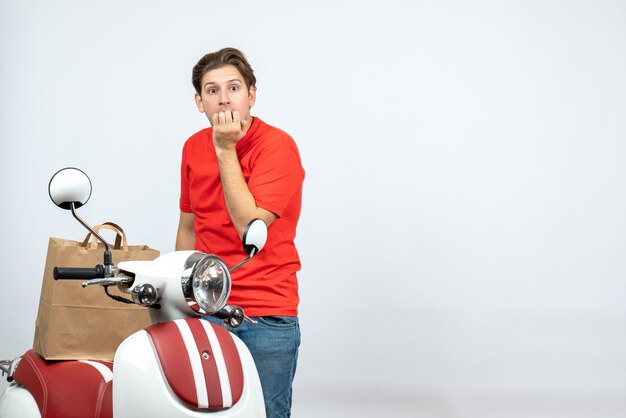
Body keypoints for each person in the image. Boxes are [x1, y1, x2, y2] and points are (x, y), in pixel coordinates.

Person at [176, 47, 304, 418]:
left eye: (234, 88)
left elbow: (250, 225)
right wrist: (181, 299)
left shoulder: (277, 147)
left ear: (252, 94)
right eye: (212, 91)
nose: (224, 98)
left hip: (265, 314)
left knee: (264, 413)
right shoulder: (191, 147)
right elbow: (188, 226)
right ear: (200, 102)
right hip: (205, 309)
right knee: (199, 411)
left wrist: (224, 148)